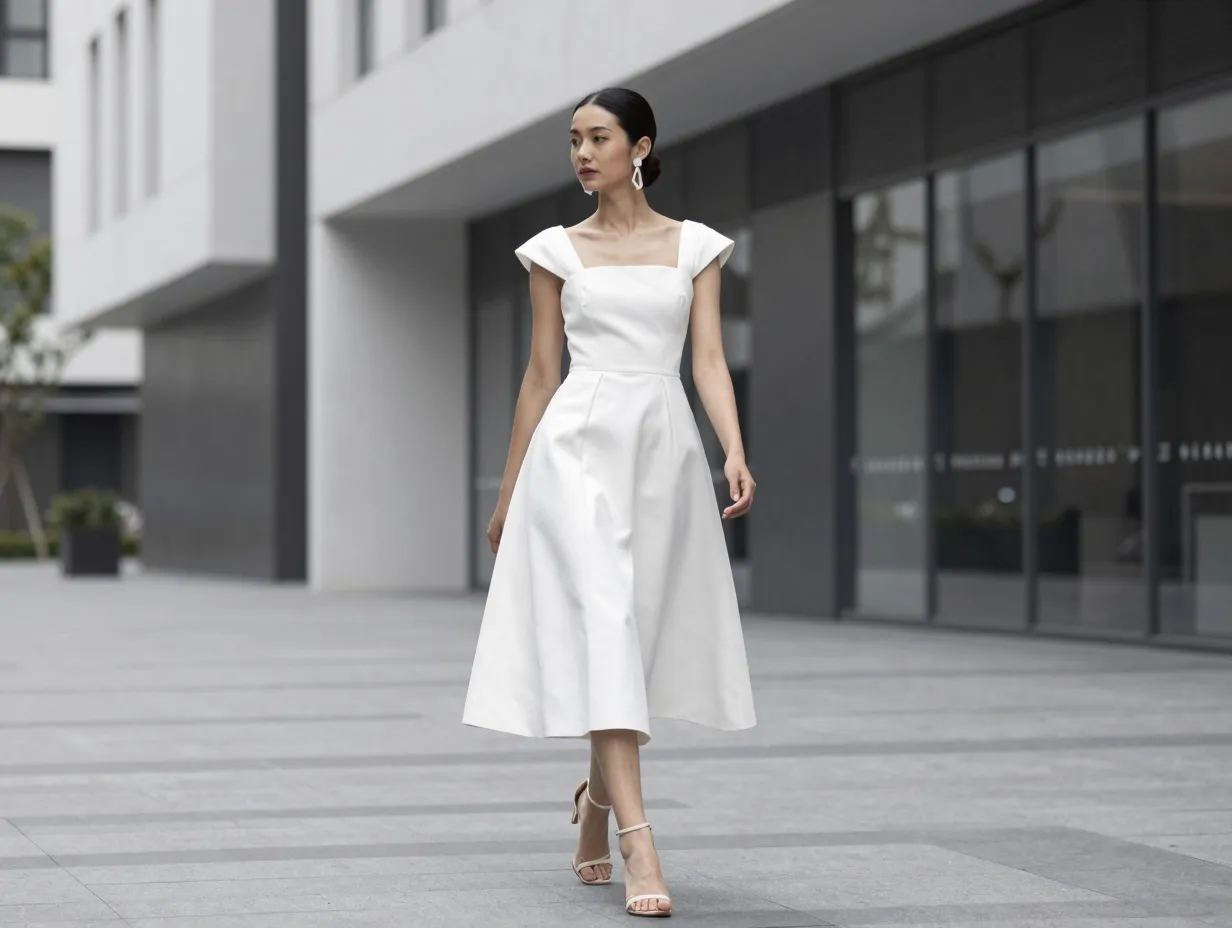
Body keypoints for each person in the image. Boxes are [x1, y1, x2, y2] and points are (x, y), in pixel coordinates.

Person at [462, 86, 757, 919]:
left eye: (598, 138)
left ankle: (593, 805)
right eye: (573, 140)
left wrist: (733, 449)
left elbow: (707, 360)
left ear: (641, 147)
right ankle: (639, 843)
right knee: (605, 621)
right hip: (575, 451)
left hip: (661, 450)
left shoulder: (695, 246)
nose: (582, 153)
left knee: (626, 636)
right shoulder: (555, 251)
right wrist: (510, 491)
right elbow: (540, 376)